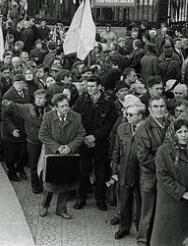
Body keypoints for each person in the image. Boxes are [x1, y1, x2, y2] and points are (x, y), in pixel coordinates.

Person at [150, 119, 188, 246]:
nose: (183, 135)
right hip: (170, 200)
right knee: (167, 236)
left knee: (187, 236)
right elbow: (163, 177)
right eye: (179, 132)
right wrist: (182, 192)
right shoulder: (163, 151)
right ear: (173, 133)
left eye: (186, 131)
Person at [37, 93, 86, 219]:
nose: (66, 108)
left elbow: (81, 134)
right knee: (50, 184)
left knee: (66, 183)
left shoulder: (76, 117)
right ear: (56, 107)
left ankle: (61, 209)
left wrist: (70, 147)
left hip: (69, 155)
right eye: (62, 106)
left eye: (67, 105)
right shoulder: (48, 117)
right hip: (53, 155)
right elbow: (42, 135)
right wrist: (57, 147)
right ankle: (44, 206)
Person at [72, 74, 117, 211]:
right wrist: (85, 137)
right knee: (82, 171)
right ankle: (81, 198)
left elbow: (110, 124)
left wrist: (95, 137)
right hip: (84, 142)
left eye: (92, 86)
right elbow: (75, 119)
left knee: (101, 173)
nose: (89, 89)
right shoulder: (82, 100)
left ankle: (100, 199)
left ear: (99, 87)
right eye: (88, 86)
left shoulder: (109, 102)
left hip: (101, 143)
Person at [134, 96, 174, 246]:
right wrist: (162, 168)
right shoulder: (144, 128)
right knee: (147, 212)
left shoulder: (172, 124)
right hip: (150, 177)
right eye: (156, 107)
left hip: (168, 176)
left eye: (162, 106)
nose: (159, 109)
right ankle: (142, 240)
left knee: (164, 211)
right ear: (150, 110)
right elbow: (143, 156)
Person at [111, 103, 145, 240]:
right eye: (127, 114)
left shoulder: (147, 129)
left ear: (140, 116)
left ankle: (141, 231)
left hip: (142, 172)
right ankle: (124, 228)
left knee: (141, 204)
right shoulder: (122, 128)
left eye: (131, 114)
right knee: (125, 202)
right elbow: (116, 151)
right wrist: (114, 171)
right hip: (124, 171)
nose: (127, 117)